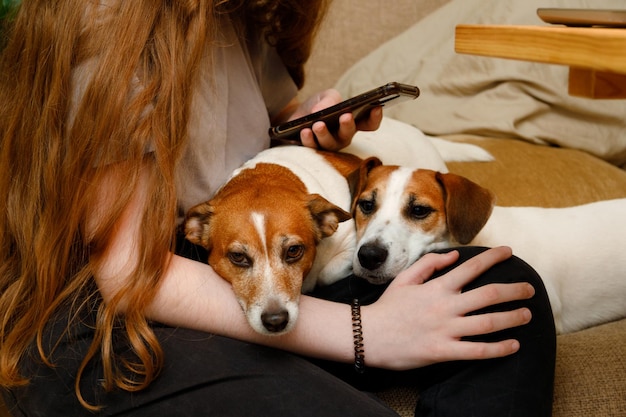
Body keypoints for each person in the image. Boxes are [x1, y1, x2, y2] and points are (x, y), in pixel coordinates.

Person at [0, 1, 555, 416]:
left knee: (501, 285)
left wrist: (318, 124)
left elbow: (270, 121)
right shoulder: (111, 25)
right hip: (120, 312)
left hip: (266, 261)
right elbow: (126, 271)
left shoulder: (233, 16)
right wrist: (367, 332)